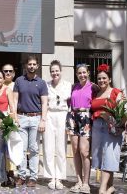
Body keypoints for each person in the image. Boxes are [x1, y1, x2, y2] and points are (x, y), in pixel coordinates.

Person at [14, 55, 48, 187]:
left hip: (35, 118)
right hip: (21, 117)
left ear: (37, 66)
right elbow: (15, 100)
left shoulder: (41, 83)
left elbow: (44, 103)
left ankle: (33, 177)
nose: (32, 66)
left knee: (33, 149)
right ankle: (22, 175)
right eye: (30, 64)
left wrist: (43, 120)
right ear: (25, 66)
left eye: (34, 64)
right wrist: (15, 117)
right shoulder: (19, 81)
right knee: (21, 149)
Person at [90, 64, 123, 194]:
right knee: (100, 156)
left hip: (111, 126)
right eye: (99, 79)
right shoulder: (96, 93)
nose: (101, 81)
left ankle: (102, 189)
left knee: (109, 155)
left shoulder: (116, 92)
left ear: (109, 79)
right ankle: (110, 187)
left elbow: (122, 111)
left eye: (104, 78)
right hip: (97, 126)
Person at [67, 64, 98, 194]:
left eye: (84, 72)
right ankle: (78, 180)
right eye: (79, 73)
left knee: (84, 151)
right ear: (77, 74)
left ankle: (86, 183)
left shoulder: (94, 87)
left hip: (86, 117)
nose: (82, 75)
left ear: (88, 73)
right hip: (73, 117)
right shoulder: (74, 87)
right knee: (75, 149)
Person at [43, 60, 71, 190]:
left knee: (61, 147)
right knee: (48, 147)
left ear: (60, 71)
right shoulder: (46, 85)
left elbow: (70, 103)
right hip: (49, 114)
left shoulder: (67, 85)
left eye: (56, 70)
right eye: (52, 71)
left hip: (62, 115)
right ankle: (51, 177)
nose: (55, 73)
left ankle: (59, 178)